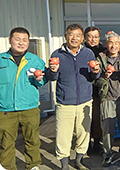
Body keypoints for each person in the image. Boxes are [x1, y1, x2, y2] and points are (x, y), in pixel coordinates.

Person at [0, 27, 58, 170]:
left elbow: (42, 81)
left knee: (32, 140)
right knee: (5, 142)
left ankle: (33, 166)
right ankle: (7, 167)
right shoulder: (1, 60)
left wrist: (39, 78)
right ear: (10, 40)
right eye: (17, 39)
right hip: (6, 110)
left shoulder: (35, 60)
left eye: (24, 40)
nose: (21, 43)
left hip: (30, 108)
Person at [50, 24, 100, 170]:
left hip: (85, 101)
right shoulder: (57, 54)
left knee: (83, 133)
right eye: (71, 35)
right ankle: (64, 164)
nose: (75, 38)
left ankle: (79, 160)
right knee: (63, 135)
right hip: (65, 102)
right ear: (66, 36)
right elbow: (52, 77)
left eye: (78, 35)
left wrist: (95, 71)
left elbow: (93, 77)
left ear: (82, 38)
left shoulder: (88, 54)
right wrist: (53, 71)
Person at [94, 31, 120, 167]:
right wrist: (105, 76)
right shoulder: (100, 58)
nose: (113, 46)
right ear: (106, 44)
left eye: (116, 43)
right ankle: (108, 154)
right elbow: (96, 81)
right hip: (108, 98)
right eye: (110, 42)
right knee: (107, 129)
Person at [84, 26, 106, 154]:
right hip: (84, 89)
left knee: (97, 118)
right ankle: (85, 144)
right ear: (85, 38)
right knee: (85, 119)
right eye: (90, 36)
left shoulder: (103, 50)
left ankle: (97, 142)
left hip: (98, 90)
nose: (93, 39)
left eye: (96, 36)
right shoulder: (81, 51)